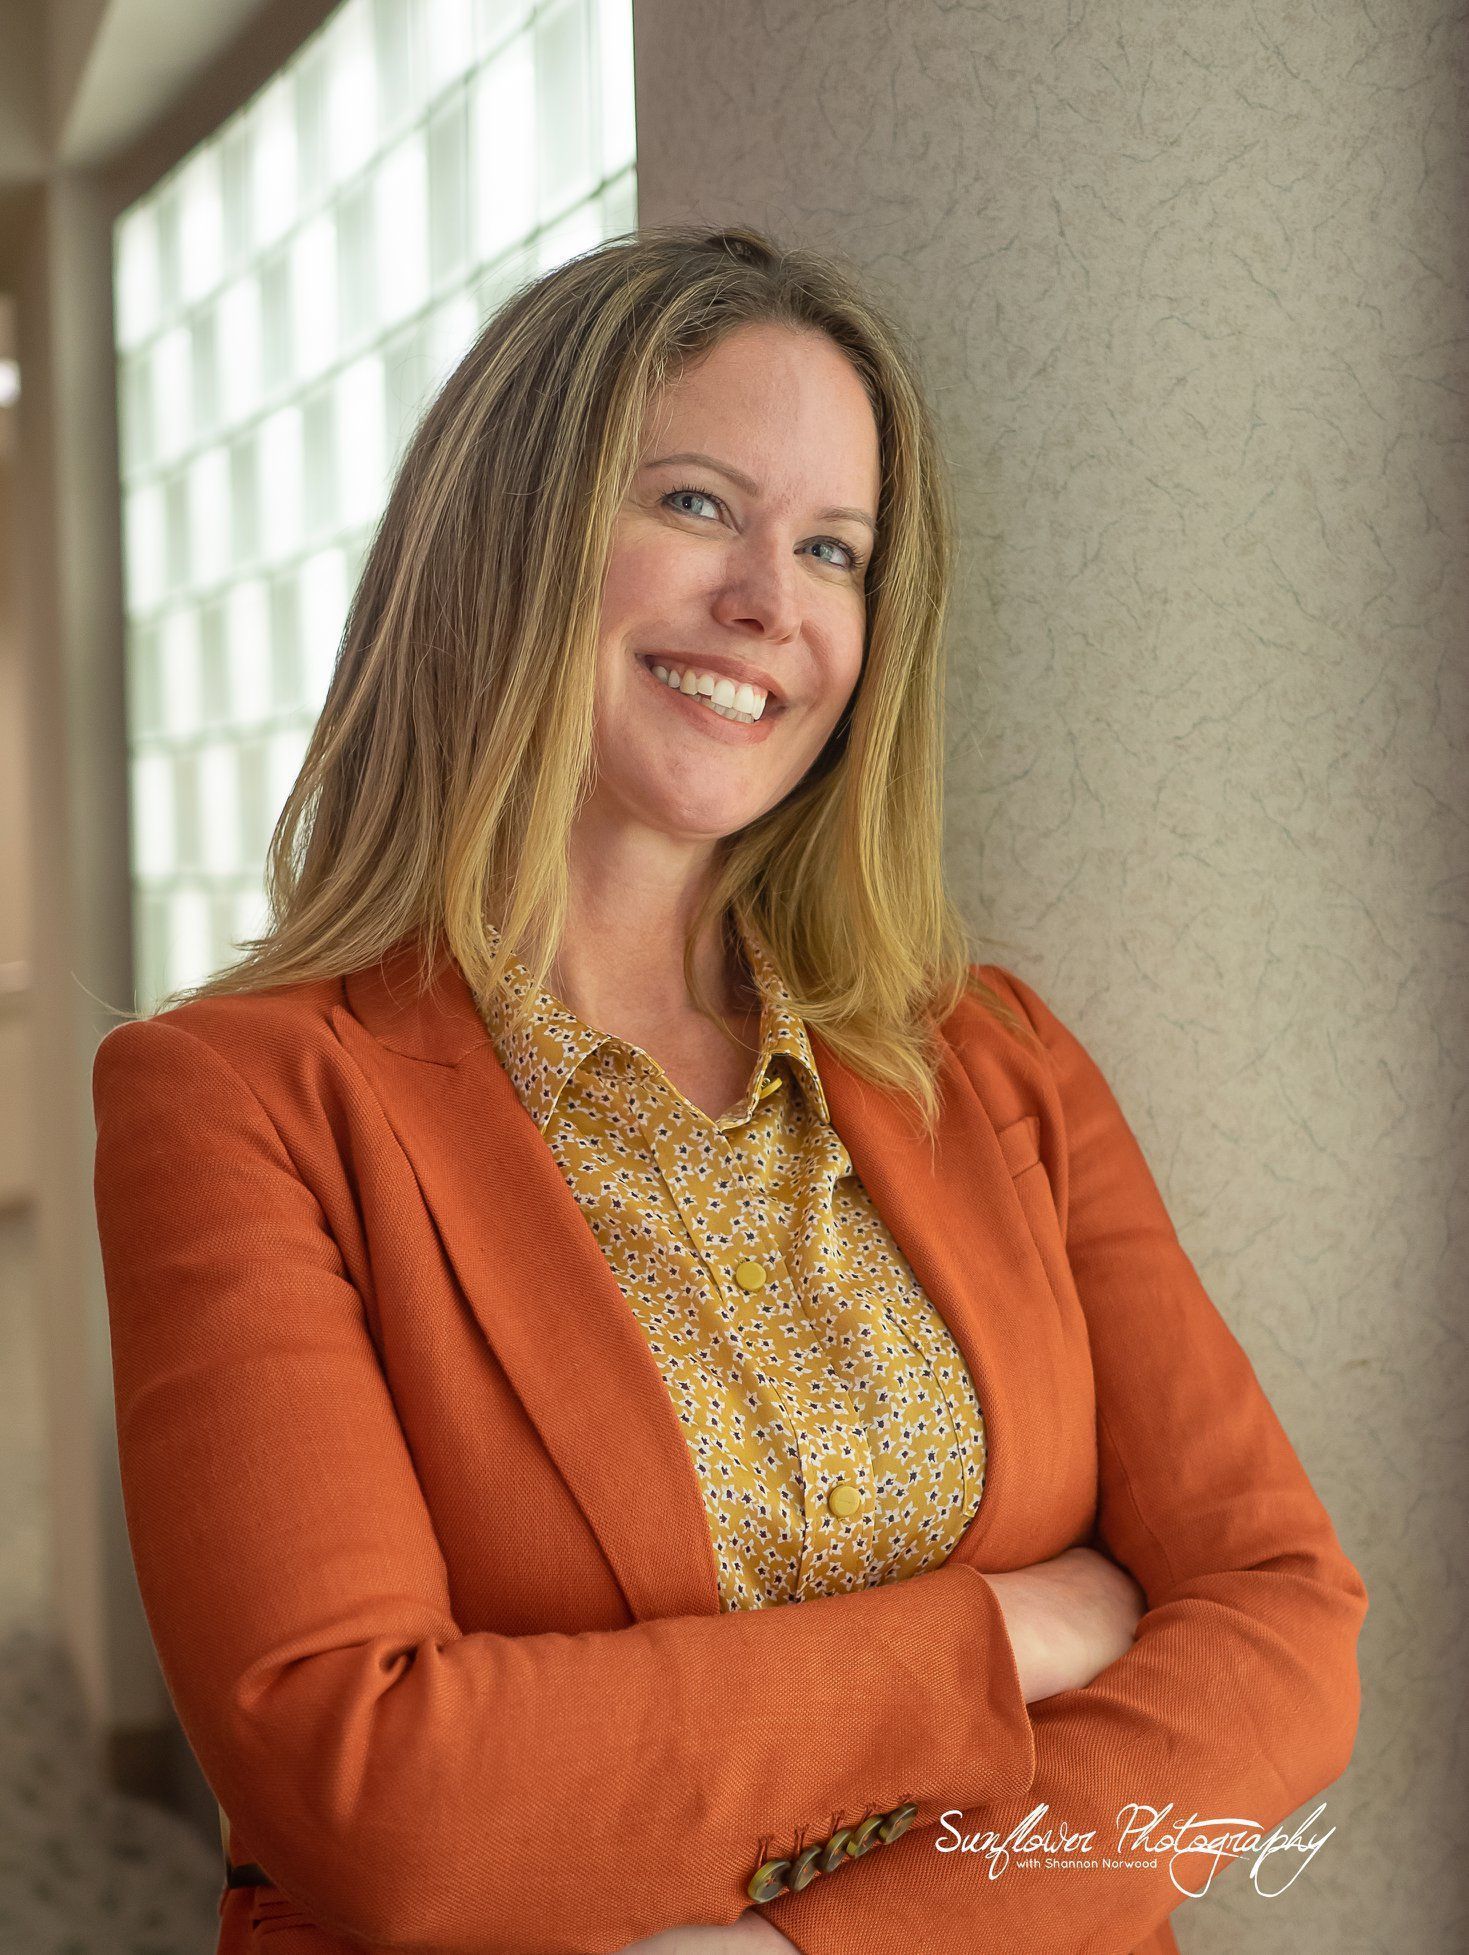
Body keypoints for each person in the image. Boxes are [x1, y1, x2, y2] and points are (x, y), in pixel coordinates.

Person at [90, 224, 1367, 1955]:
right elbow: (378, 1793)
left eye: (832, 549)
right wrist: (997, 1641)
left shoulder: (991, 1060)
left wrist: (812, 1950)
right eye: (696, 506)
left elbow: (1281, 1629)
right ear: (511, 540)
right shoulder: (237, 1102)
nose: (771, 604)